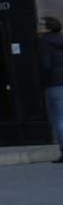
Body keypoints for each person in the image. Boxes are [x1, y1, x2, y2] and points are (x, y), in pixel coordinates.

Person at [39, 16, 63, 163]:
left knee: (59, 118)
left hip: (55, 83)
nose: (38, 25)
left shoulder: (44, 42)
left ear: (48, 27)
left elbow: (45, 65)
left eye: (41, 24)